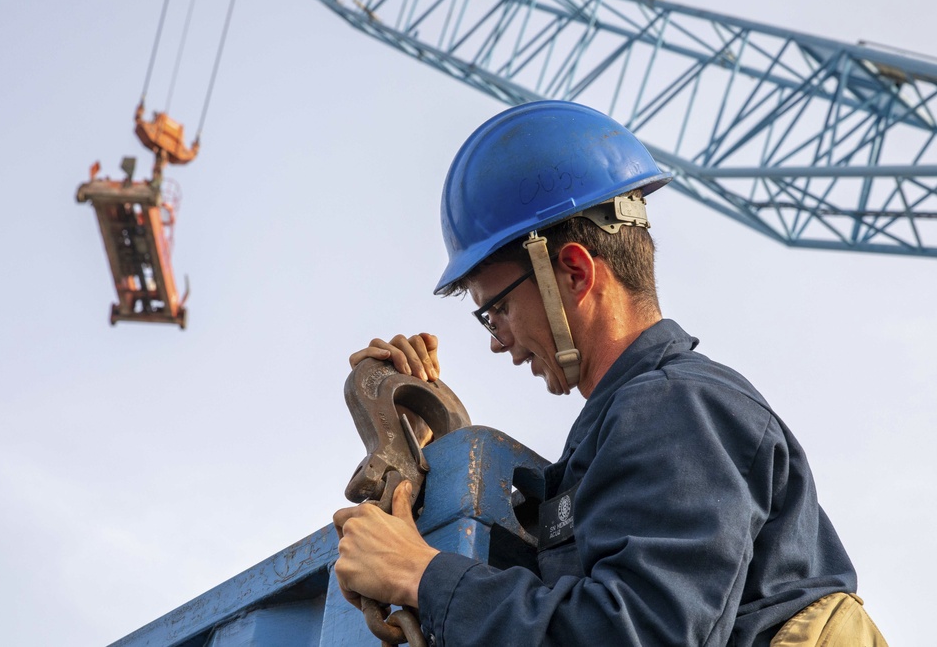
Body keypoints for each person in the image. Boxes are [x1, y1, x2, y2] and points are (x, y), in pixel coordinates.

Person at [333, 100, 884, 646]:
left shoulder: (676, 407)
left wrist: (418, 576)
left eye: (496, 309)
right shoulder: (627, 435)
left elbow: (638, 632)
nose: (499, 342)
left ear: (572, 272)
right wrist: (435, 452)